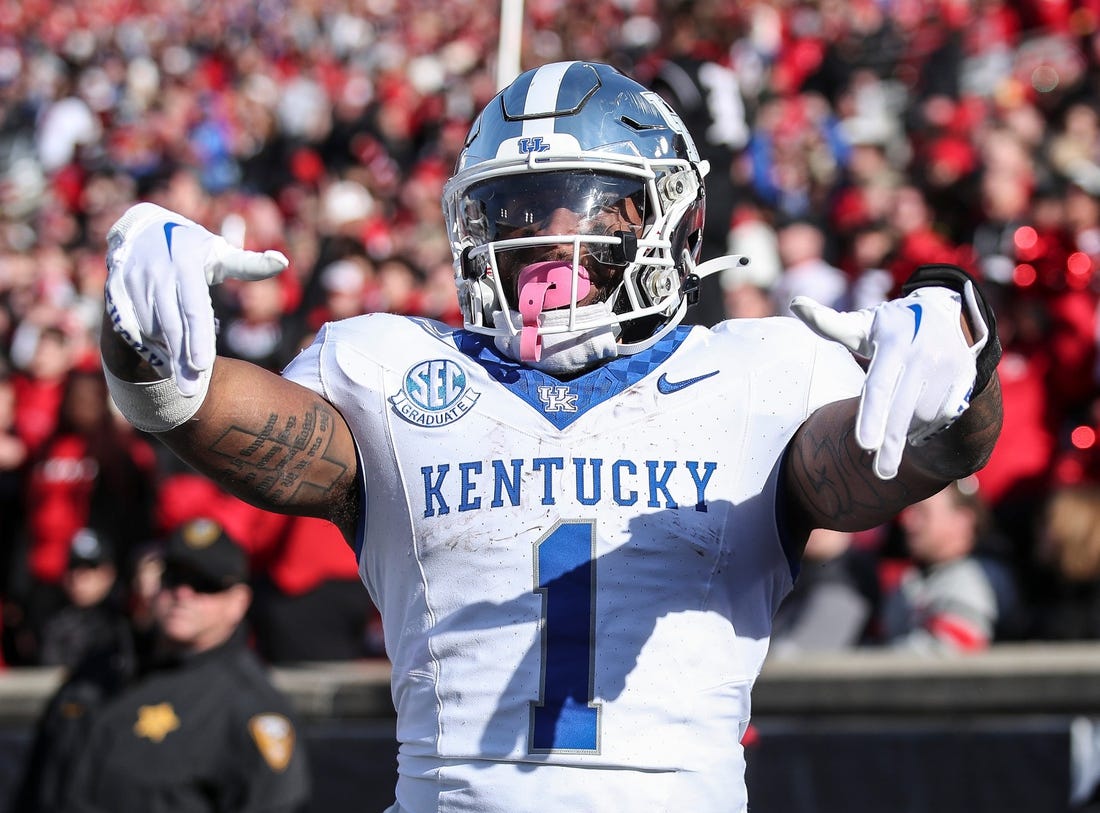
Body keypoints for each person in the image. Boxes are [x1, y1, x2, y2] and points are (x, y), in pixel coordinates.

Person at [98, 61, 1002, 813]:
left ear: (670, 219)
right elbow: (200, 410)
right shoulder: (393, 367)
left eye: (586, 206)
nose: (545, 238)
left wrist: (961, 374)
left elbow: (908, 456)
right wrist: (139, 341)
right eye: (518, 209)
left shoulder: (756, 373)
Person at [10, 517, 310, 813]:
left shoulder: (250, 706)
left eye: (205, 584)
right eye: (173, 578)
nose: (183, 594)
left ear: (239, 600)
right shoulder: (101, 668)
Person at [879, 479, 1018, 653]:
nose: (907, 521)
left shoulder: (976, 579)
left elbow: (947, 657)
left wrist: (864, 663)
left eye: (922, 512)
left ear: (962, 519)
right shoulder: (918, 576)